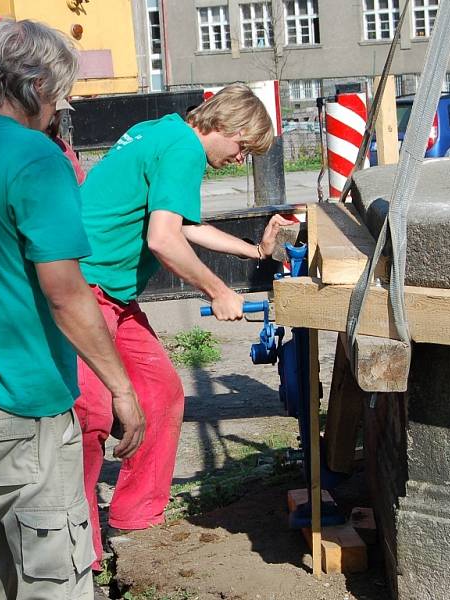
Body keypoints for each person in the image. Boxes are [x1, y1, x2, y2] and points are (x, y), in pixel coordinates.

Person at [0, 19, 145, 600]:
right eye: (58, 97)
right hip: (21, 402)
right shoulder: (36, 159)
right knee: (53, 576)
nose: (56, 112)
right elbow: (65, 292)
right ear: (35, 85)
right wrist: (121, 388)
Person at [75, 83, 290, 568]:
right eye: (242, 149)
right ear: (229, 128)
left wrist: (254, 251)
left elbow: (183, 223)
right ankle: (76, 545)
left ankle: (137, 517)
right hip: (82, 289)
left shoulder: (164, 132)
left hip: (113, 293)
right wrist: (217, 290)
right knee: (88, 418)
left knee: (161, 392)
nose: (239, 160)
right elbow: (163, 239)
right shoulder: (183, 148)